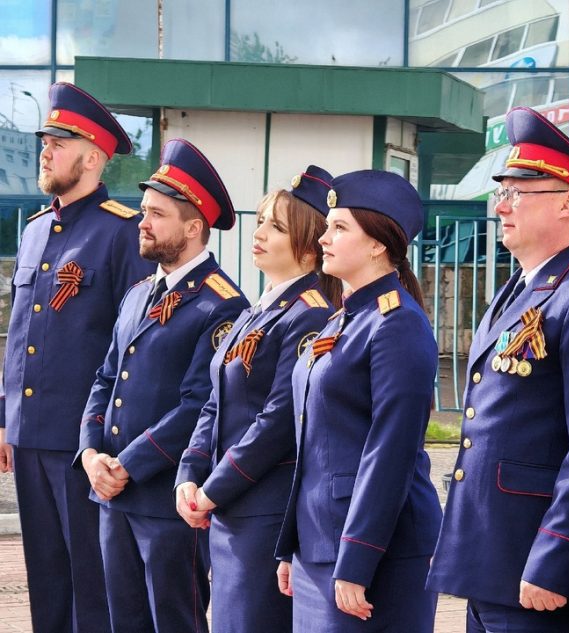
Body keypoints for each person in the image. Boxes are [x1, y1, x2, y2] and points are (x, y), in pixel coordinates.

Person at [426, 106, 569, 633]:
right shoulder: (523, 287)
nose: (500, 206)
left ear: (566, 202)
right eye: (501, 193)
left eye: (516, 193)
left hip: (537, 569)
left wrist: (557, 556)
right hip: (492, 560)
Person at [75, 138, 249, 633]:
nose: (142, 222)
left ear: (194, 227)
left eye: (156, 213)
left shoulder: (222, 305)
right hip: (112, 493)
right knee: (123, 621)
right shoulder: (137, 294)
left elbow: (200, 405)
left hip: (166, 501)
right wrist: (91, 454)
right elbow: (105, 378)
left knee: (176, 621)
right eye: (143, 210)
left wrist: (126, 465)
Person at [0, 82, 151, 633]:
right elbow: (20, 337)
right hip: (30, 432)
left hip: (84, 444)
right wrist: (4, 417)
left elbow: (137, 345)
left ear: (92, 156)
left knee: (94, 584)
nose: (45, 151)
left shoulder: (122, 232)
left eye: (58, 142)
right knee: (45, 578)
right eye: (45, 140)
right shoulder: (37, 230)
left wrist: (113, 440)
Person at [274, 169, 442, 632]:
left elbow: (392, 450)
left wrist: (358, 558)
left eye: (340, 227)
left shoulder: (396, 323)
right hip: (320, 544)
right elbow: (313, 446)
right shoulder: (345, 318)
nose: (324, 238)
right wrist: (292, 545)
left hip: (372, 548)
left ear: (377, 244)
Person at [175, 165, 340, 633]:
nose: (260, 232)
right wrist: (189, 474)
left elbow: (277, 423)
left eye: (276, 226)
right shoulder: (258, 309)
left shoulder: (308, 316)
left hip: (264, 512)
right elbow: (215, 401)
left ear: (309, 245)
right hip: (229, 506)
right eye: (262, 220)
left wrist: (213, 490)